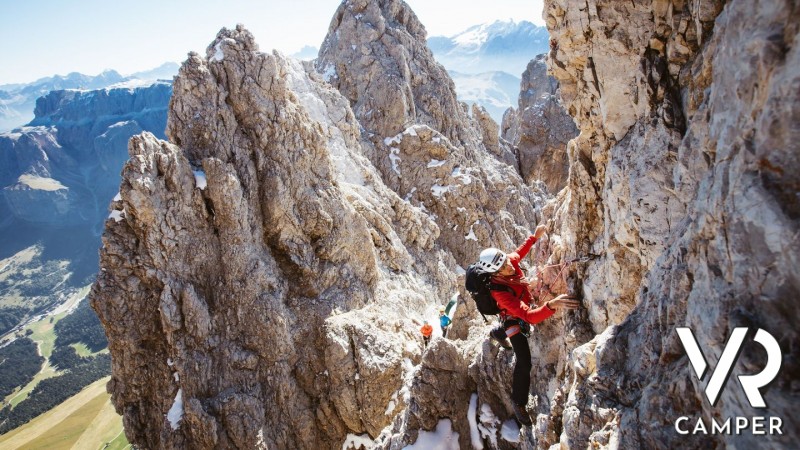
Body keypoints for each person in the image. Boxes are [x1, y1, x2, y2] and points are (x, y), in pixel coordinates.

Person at [476, 224, 580, 426]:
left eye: (506, 262)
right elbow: (528, 316)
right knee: (524, 361)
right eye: (504, 267)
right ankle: (518, 402)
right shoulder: (499, 292)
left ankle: (498, 333)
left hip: (520, 307)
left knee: (513, 330)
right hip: (512, 316)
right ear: (495, 273)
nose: (509, 266)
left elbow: (517, 253)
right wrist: (551, 304)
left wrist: (534, 237)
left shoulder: (507, 262)